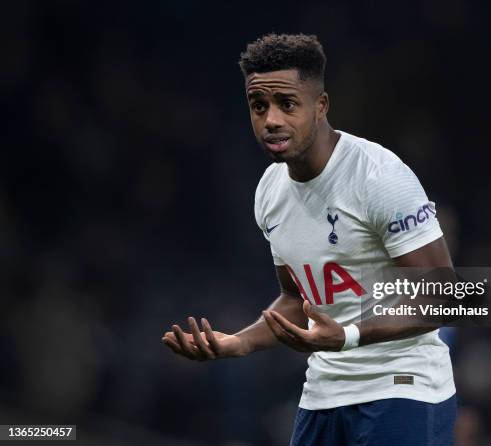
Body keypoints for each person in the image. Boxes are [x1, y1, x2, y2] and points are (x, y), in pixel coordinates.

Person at [162, 33, 457, 445]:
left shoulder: (379, 177)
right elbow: (298, 299)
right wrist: (240, 343)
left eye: (287, 104)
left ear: (321, 106)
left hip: (402, 386)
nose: (271, 120)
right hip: (323, 393)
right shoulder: (269, 191)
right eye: (258, 106)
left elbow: (445, 297)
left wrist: (350, 335)